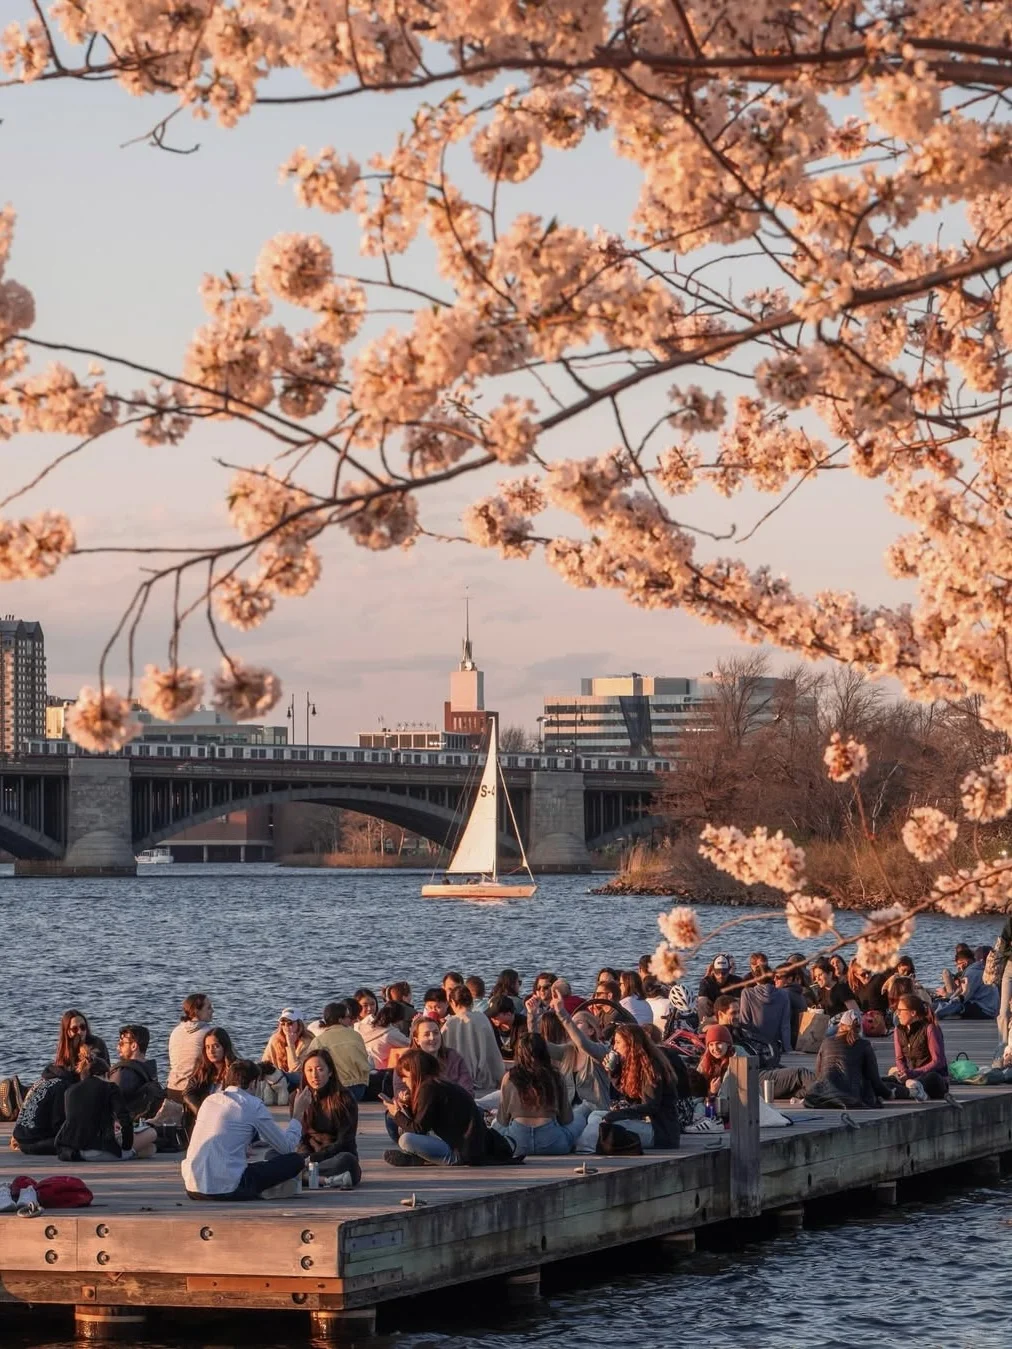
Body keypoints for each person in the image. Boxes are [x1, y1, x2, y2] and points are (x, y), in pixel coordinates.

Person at [182, 1059, 305, 1201]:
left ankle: (263, 1189)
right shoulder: (252, 1104)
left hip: (193, 1188)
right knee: (295, 1160)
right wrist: (298, 1114)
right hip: (228, 1189)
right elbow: (287, 1147)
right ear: (253, 1083)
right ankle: (262, 1191)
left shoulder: (209, 1101)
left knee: (253, 1164)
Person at [383, 1049, 501, 1166]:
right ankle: (421, 1157)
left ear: (415, 1072)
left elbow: (418, 1129)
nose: (403, 1080)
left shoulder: (428, 1089)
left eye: (405, 1076)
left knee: (406, 1140)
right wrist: (407, 1105)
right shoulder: (437, 1084)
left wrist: (397, 1114)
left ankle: (432, 1158)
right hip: (465, 1145)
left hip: (460, 1152)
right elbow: (424, 1121)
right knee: (405, 1132)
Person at [576, 1021, 681, 1152]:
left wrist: (617, 1115)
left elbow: (650, 1106)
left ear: (631, 1044)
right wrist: (614, 1072)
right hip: (647, 1125)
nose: (614, 1047)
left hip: (660, 1131)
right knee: (595, 1114)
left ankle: (585, 1148)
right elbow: (631, 1097)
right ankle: (586, 1146)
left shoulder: (652, 1068)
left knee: (601, 1120)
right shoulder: (636, 1065)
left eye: (618, 1042)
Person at [494, 1032, 589, 1155]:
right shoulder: (556, 1076)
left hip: (517, 1144)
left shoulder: (509, 1077)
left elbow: (503, 1120)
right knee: (580, 1118)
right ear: (544, 1051)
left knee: (496, 1126)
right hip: (553, 1143)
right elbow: (566, 1119)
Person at [56, 1048, 156, 1161]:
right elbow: (125, 1120)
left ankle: (136, 1153)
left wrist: (112, 1123)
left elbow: (78, 1120)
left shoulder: (70, 1091)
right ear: (106, 1074)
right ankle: (131, 1153)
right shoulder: (110, 1088)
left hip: (73, 1150)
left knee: (150, 1149)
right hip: (99, 1150)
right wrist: (126, 1147)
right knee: (151, 1133)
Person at [713, 998, 813, 1100]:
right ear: (720, 1014)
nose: (738, 1016)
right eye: (733, 1013)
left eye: (739, 1012)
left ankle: (817, 1097)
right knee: (801, 1074)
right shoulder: (718, 1037)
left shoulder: (740, 1030)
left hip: (763, 1069)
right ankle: (821, 1096)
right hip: (752, 1076)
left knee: (802, 1085)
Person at [290, 1048, 361, 1188]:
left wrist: (314, 1159)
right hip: (308, 1157)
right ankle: (326, 1180)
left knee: (347, 1160)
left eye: (320, 1069)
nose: (314, 1075)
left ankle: (301, 1176)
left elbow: (345, 1140)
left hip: (335, 1157)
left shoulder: (344, 1098)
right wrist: (306, 1157)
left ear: (330, 1072)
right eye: (309, 1070)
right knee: (272, 1155)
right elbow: (300, 1137)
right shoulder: (297, 1097)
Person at [804, 1010, 892, 1109]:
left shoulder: (826, 1042)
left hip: (824, 1095)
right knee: (886, 1083)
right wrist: (888, 1094)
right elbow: (874, 1079)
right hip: (852, 1095)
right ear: (859, 1028)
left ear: (840, 1025)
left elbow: (819, 1073)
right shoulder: (864, 1045)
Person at [549, 988, 613, 1109]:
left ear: (591, 1030)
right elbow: (543, 1047)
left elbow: (583, 1043)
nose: (572, 1027)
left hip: (595, 1111)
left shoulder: (600, 1050)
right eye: (572, 1023)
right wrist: (532, 1017)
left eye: (578, 1023)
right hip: (569, 1112)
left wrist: (562, 1014)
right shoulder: (567, 1051)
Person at [442, 984, 505, 1095]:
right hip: (484, 1082)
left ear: (453, 1002)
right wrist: (500, 1077)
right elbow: (493, 1053)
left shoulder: (449, 1024)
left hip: (457, 1082)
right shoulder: (482, 1019)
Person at [388, 1017, 474, 1093]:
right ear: (417, 1040)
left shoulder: (453, 1057)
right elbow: (400, 1090)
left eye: (436, 1033)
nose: (432, 1038)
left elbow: (467, 1089)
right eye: (426, 1034)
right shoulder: (406, 1062)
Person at [307, 1002, 371, 1099]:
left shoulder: (318, 1041)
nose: (350, 1019)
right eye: (348, 1017)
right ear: (340, 1020)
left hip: (333, 1090)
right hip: (359, 1088)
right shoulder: (356, 1036)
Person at [891, 996, 949, 1101]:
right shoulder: (898, 1030)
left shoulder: (930, 1028)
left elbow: (938, 1061)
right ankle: (910, 1090)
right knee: (886, 1080)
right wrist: (903, 1072)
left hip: (932, 1078)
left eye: (900, 1010)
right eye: (896, 1011)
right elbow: (899, 1059)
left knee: (933, 1077)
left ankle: (911, 1090)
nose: (897, 1014)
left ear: (913, 1013)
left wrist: (913, 1073)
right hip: (911, 1077)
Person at [11, 1064, 76, 1155]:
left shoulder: (42, 1081)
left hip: (21, 1138)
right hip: (35, 1142)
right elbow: (58, 1122)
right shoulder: (62, 1086)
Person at [183, 1028, 237, 1135]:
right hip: (205, 1118)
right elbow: (188, 1093)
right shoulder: (202, 1068)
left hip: (228, 1120)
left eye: (216, 1046)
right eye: (208, 1047)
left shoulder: (235, 1068)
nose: (211, 1051)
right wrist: (202, 1113)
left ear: (225, 1047)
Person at [109, 1025, 165, 1120]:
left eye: (121, 1043)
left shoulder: (123, 1072)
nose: (117, 1047)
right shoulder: (151, 1070)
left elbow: (110, 1103)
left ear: (134, 1046)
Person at [167, 993, 214, 1102]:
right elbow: (231, 1056)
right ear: (196, 1011)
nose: (212, 1011)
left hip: (173, 1088)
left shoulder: (176, 1031)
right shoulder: (209, 1033)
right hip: (195, 1091)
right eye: (209, 1008)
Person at [739, 968, 793, 1061]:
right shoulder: (784, 994)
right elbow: (785, 1025)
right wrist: (788, 1048)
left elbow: (744, 1022)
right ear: (773, 978)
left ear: (755, 978)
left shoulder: (747, 993)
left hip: (755, 1046)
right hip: (775, 1046)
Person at [936, 945, 999, 1020]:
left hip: (984, 1010)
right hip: (990, 1009)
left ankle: (935, 1015)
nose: (957, 967)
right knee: (948, 1003)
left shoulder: (972, 973)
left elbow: (965, 997)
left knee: (957, 1005)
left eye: (958, 964)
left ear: (965, 963)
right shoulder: (985, 971)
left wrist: (949, 998)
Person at [261, 1008, 313, 1087]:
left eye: (290, 1023)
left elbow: (296, 1071)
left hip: (300, 1080)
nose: (286, 1026)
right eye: (283, 1024)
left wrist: (291, 1046)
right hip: (278, 1080)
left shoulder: (307, 1042)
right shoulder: (275, 1040)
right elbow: (265, 1062)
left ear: (299, 1024)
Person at [52, 1010, 109, 1075]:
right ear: (67, 1032)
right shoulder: (65, 1049)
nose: (80, 1032)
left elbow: (95, 1066)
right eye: (75, 1029)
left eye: (82, 1027)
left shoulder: (97, 1043)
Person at [697, 955, 738, 1021]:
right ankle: (702, 1024)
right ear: (713, 971)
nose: (721, 976)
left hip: (730, 1016)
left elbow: (738, 1005)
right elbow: (702, 1004)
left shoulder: (736, 981)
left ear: (729, 970)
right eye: (718, 972)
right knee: (702, 1001)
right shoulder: (706, 982)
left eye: (724, 973)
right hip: (711, 1014)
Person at [487, 994, 523, 1059]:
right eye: (490, 1015)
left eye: (495, 1016)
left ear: (508, 1014)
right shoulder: (490, 1023)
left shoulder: (523, 1025)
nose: (492, 1018)